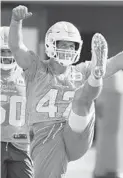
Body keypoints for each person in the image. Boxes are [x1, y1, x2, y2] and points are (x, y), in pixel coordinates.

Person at [8, 5, 123, 178]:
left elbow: (116, 63)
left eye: (72, 46)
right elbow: (16, 47)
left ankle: (96, 74)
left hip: (77, 131)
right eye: (63, 45)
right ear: (50, 44)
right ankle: (95, 75)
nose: (68, 50)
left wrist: (98, 69)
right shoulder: (36, 67)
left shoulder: (80, 70)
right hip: (46, 134)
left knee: (81, 98)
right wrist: (16, 21)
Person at [0, 26, 34, 178]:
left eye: (10, 51)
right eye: (3, 51)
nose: (7, 55)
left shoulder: (27, 74)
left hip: (20, 144)